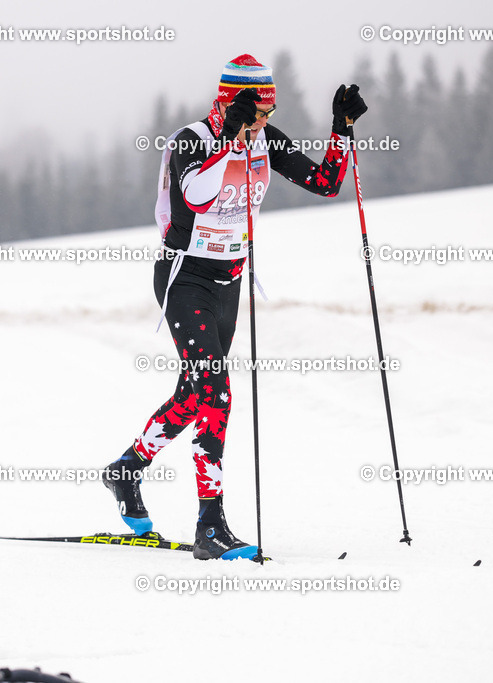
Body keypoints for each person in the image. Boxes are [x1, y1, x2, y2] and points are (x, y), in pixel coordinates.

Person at [102, 54, 368, 560]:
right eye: (257, 110)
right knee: (215, 389)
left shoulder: (263, 138)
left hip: (229, 281)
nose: (265, 121)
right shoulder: (192, 140)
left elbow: (324, 182)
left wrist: (342, 127)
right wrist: (227, 136)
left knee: (195, 390)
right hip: (186, 278)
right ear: (232, 102)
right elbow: (197, 196)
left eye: (269, 111)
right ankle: (210, 524)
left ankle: (126, 470)